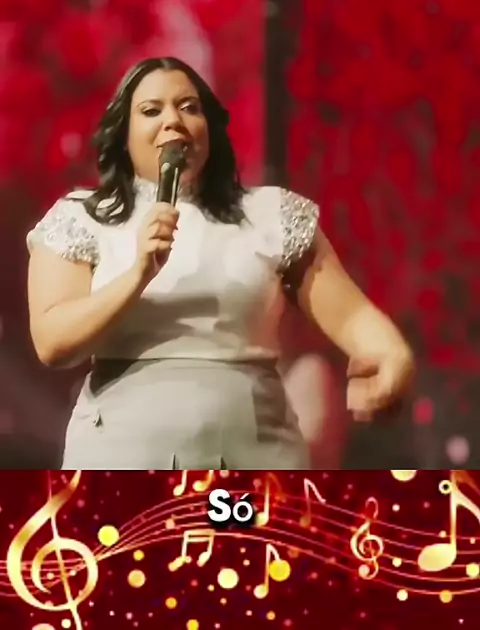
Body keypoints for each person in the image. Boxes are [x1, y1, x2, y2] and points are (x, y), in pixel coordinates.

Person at [26, 57, 414, 470]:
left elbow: (352, 317)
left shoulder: (269, 214)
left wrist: (391, 357)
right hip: (120, 461)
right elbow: (54, 342)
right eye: (151, 110)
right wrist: (138, 273)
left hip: (257, 459)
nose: (173, 121)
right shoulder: (84, 217)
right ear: (123, 135)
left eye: (189, 107)